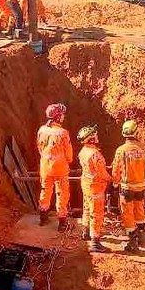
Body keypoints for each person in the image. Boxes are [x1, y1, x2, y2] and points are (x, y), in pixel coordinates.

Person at [112, 120, 145, 253]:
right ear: (136, 132)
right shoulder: (144, 148)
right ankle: (141, 234)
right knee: (139, 208)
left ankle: (132, 242)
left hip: (127, 187)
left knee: (127, 213)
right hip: (141, 186)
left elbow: (116, 170)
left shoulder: (121, 150)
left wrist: (115, 184)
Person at [37, 103, 73, 232]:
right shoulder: (63, 133)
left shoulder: (41, 130)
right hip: (60, 169)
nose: (63, 117)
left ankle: (43, 218)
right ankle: (62, 223)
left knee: (45, 191)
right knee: (62, 194)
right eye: (62, 115)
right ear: (57, 117)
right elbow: (69, 154)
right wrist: (68, 160)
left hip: (45, 168)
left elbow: (39, 147)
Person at [77, 125, 111, 253]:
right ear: (91, 138)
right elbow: (101, 173)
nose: (97, 137)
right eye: (95, 135)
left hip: (86, 185)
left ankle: (85, 232)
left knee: (86, 208)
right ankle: (95, 242)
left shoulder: (83, 151)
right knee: (96, 213)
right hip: (95, 187)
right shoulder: (95, 154)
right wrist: (111, 179)